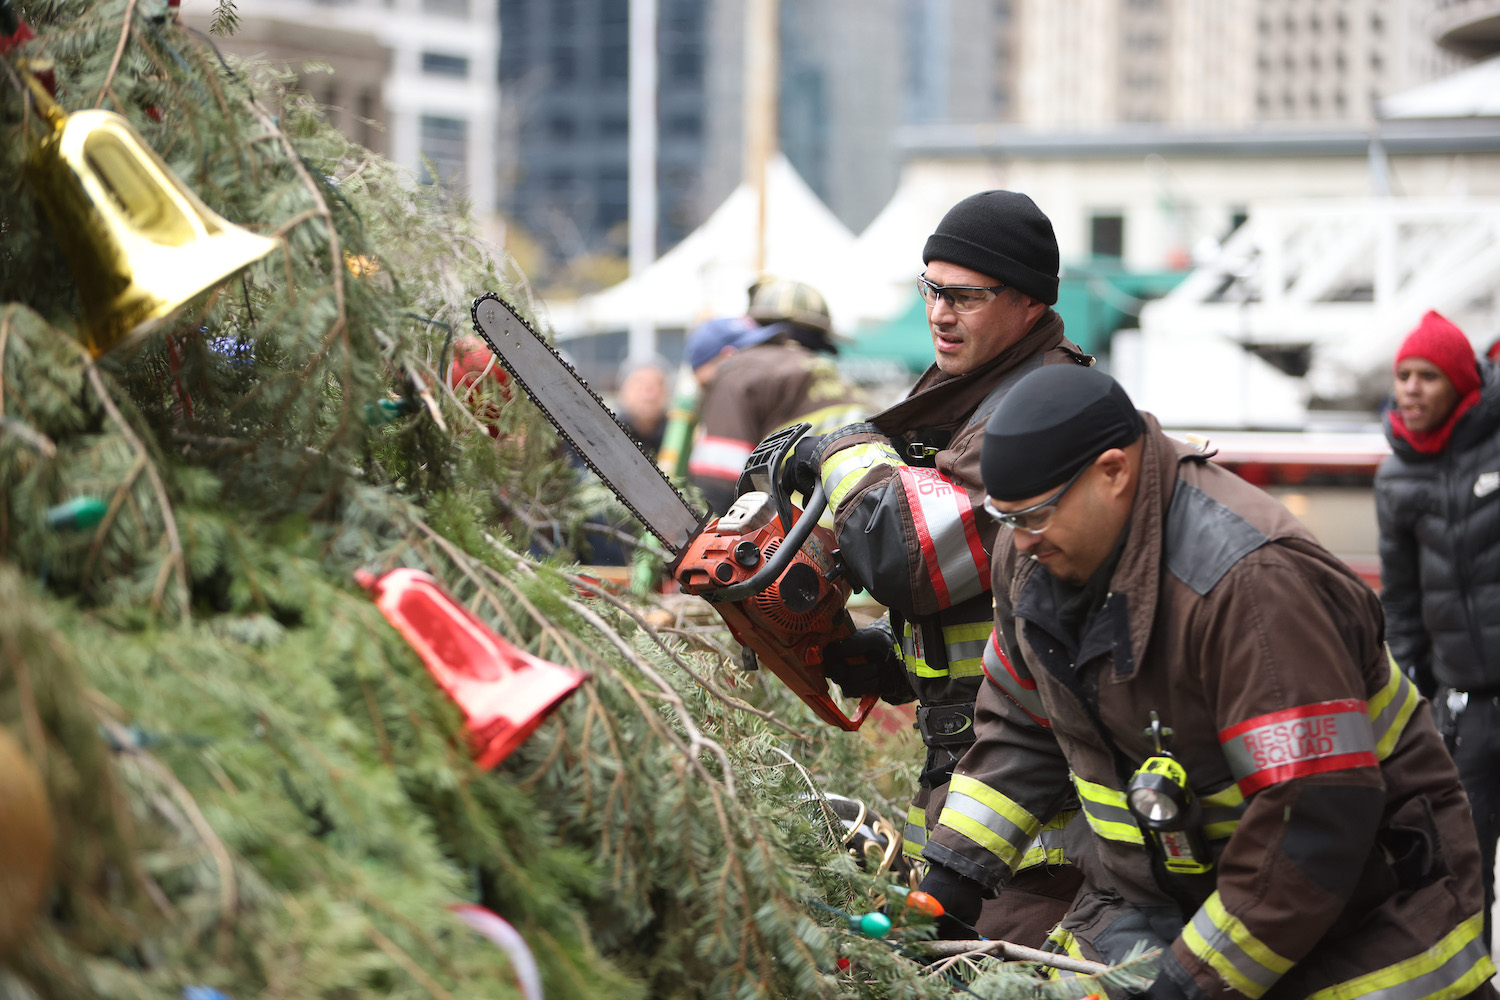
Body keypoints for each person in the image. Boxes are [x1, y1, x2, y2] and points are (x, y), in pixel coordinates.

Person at [921, 363, 1493, 998]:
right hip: (1179, 894)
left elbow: (1311, 819)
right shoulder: (1037, 549)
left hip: (1361, 918)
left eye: (1034, 516)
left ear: (1113, 474)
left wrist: (1194, 982)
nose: (1021, 542)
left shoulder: (1250, 587)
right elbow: (1022, 719)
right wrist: (955, 871)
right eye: (1008, 518)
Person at [781, 191, 1090, 945]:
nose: (939, 314)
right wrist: (895, 657)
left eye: (964, 296)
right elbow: (989, 594)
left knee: (997, 976)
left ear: (1026, 302)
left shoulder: (1040, 410)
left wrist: (838, 451)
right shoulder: (972, 393)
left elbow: (910, 554)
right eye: (931, 289)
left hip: (1038, 826)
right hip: (970, 785)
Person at [1376, 309, 1500, 949]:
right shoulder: (1396, 476)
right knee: (1463, 865)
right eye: (1403, 375)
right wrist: (1412, 696)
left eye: (1427, 375)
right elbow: (1400, 602)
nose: (1412, 389)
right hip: (1466, 704)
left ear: (1459, 383)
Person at [684, 287, 866, 516]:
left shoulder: (737, 371)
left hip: (807, 530)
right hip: (866, 519)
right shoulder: (833, 375)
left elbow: (716, 486)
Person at [615, 354, 672, 459]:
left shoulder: (678, 435)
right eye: (639, 384)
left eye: (657, 385)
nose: (649, 395)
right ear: (622, 390)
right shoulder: (610, 432)